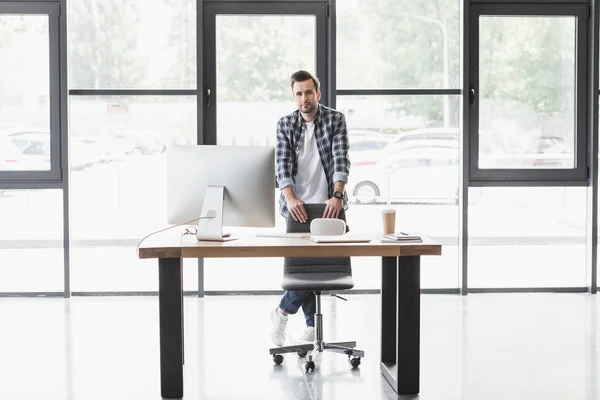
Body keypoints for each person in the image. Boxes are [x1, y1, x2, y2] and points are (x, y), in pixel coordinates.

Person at [271, 70, 350, 346]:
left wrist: (337, 196)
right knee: (303, 272)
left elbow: (341, 159)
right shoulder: (285, 125)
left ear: (317, 93)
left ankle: (283, 312)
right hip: (297, 209)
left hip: (329, 207)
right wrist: (291, 198)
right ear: (294, 97)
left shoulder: (336, 120)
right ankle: (310, 327)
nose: (304, 98)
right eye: (298, 93)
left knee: (322, 271)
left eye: (308, 92)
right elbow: (282, 165)